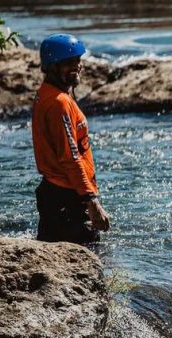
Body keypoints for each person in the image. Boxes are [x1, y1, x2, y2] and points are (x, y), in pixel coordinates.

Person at [31, 33, 110, 245]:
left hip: (56, 193)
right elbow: (70, 157)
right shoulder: (59, 103)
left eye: (77, 60)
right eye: (68, 62)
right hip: (66, 197)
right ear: (51, 67)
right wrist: (91, 201)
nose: (76, 66)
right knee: (90, 257)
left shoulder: (47, 93)